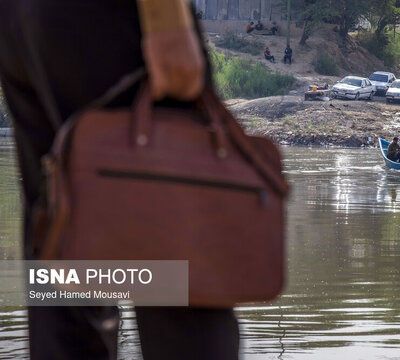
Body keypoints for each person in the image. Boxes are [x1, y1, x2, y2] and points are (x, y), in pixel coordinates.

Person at [0, 1, 238, 359]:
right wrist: (165, 18)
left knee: (62, 245)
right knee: (180, 277)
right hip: (109, 16)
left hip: (20, 19)